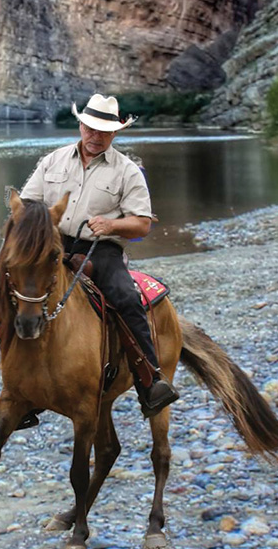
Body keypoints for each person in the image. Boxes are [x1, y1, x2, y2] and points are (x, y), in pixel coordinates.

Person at [20, 92, 179, 419]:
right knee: (16, 288)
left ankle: (150, 380)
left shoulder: (127, 171)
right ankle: (19, 383)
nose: (96, 137)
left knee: (125, 296)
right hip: (55, 241)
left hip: (101, 247)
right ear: (80, 125)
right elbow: (29, 203)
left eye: (104, 132)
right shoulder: (53, 160)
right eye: (90, 129)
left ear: (116, 133)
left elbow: (142, 225)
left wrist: (111, 224)